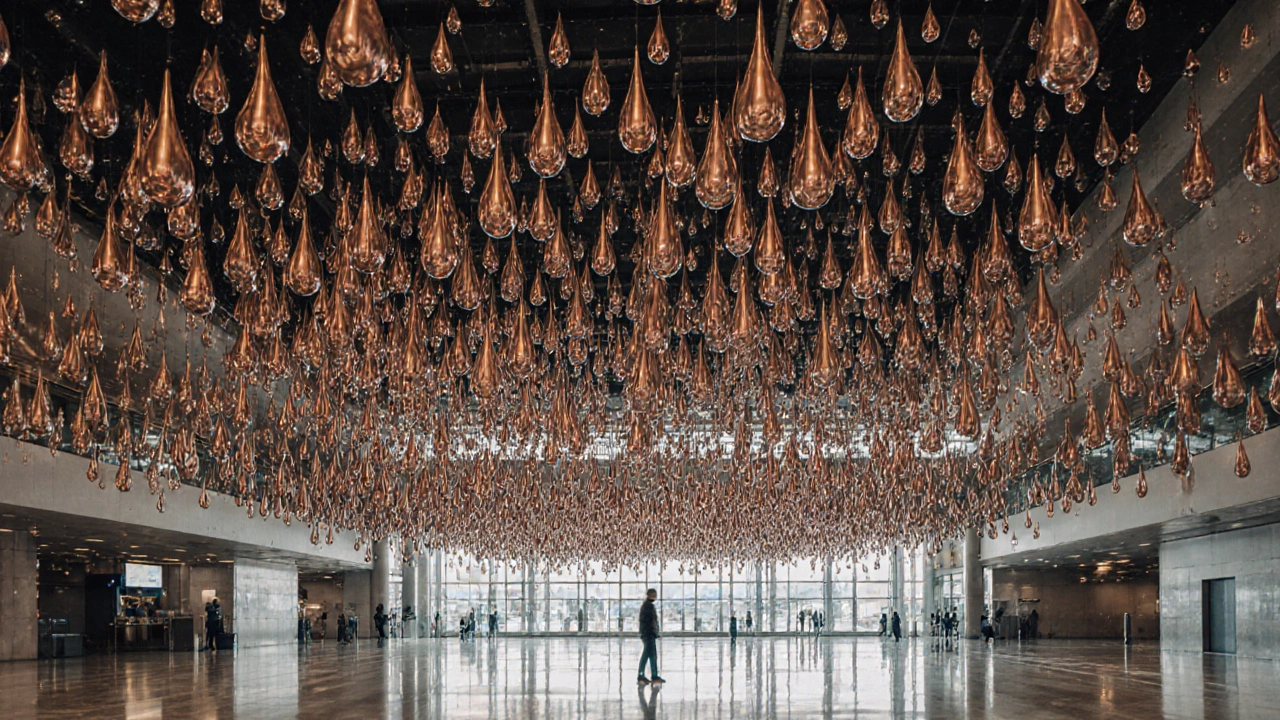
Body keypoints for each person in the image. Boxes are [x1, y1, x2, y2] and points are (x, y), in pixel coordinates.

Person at [637, 588, 664, 685]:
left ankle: (642, 675)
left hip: (647, 634)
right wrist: (654, 632)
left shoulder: (646, 605)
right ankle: (653, 675)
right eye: (654, 595)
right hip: (649, 634)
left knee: (646, 655)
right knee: (652, 656)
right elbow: (651, 622)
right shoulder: (648, 606)